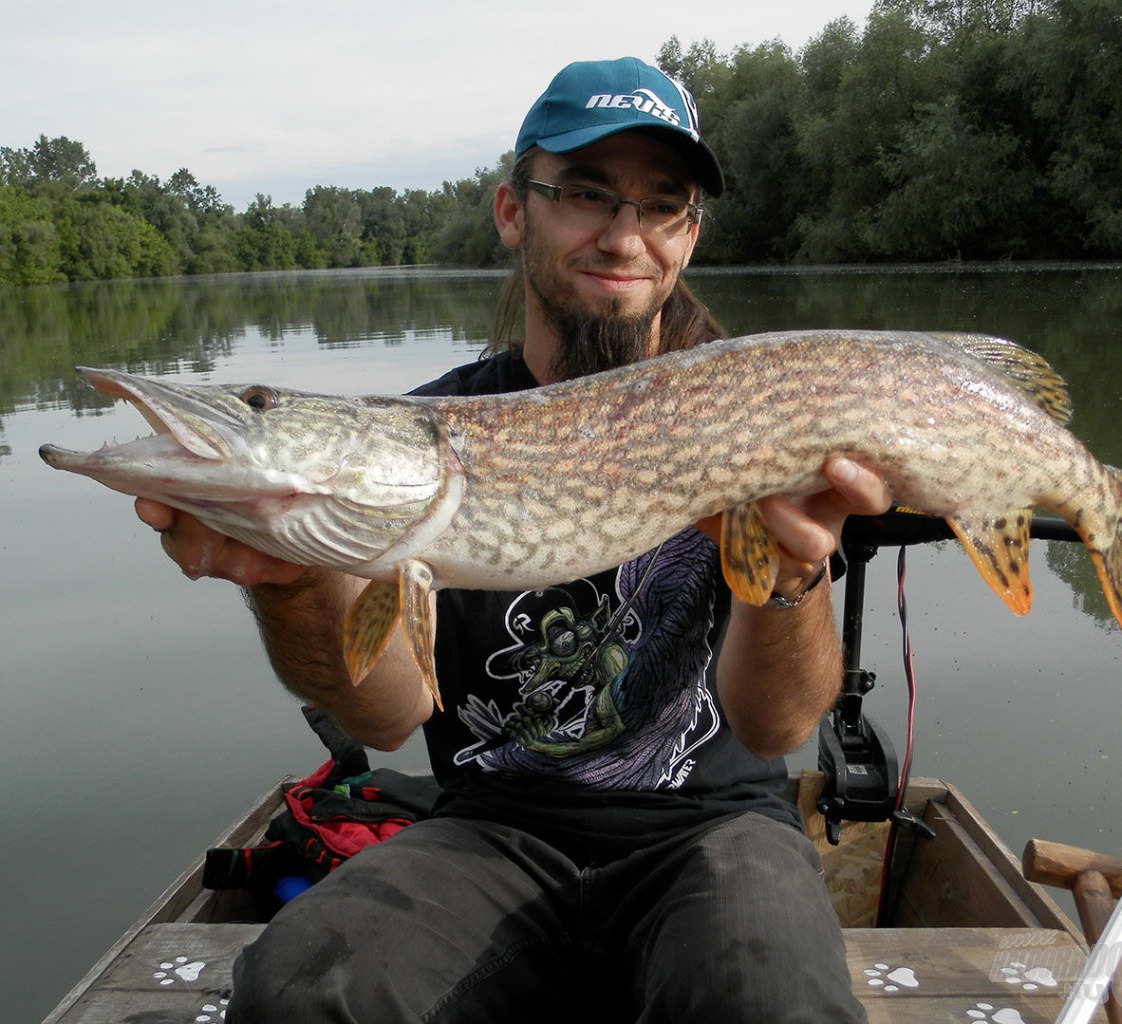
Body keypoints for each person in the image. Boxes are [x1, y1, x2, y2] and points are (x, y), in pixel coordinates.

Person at [137, 57, 888, 1023]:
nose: (624, 236)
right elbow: (384, 721)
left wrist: (792, 578)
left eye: (662, 206)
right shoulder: (425, 436)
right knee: (299, 993)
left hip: (714, 831)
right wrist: (289, 582)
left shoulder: (747, 420)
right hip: (492, 828)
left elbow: (776, 731)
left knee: (768, 1005)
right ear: (511, 210)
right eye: (584, 194)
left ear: (688, 238)